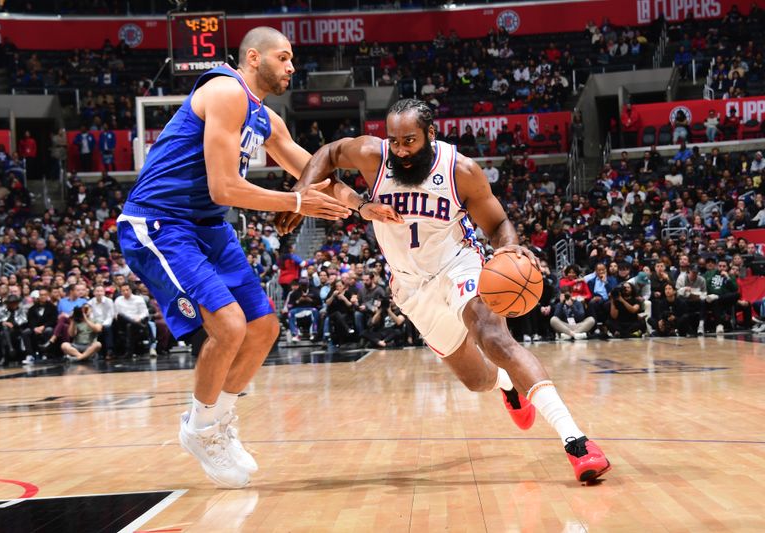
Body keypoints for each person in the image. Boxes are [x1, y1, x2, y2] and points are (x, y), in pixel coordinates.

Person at [279, 98, 610, 483]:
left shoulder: (461, 170)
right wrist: (301, 190)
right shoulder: (374, 155)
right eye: (395, 141)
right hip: (410, 286)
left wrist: (507, 248)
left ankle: (578, 442)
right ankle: (508, 386)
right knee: (477, 380)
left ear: (430, 134)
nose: (401, 150)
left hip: (459, 266)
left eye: (410, 140)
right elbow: (329, 152)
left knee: (494, 339)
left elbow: (499, 221)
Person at [117, 27, 388, 489]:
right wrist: (296, 203)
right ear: (253, 56)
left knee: (264, 328)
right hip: (160, 224)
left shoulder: (264, 117)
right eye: (283, 58)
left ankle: (216, 423)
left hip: (207, 227)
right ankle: (200, 428)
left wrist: (365, 206)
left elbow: (314, 170)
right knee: (229, 324)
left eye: (292, 59)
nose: (291, 67)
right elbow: (226, 188)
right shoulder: (224, 91)